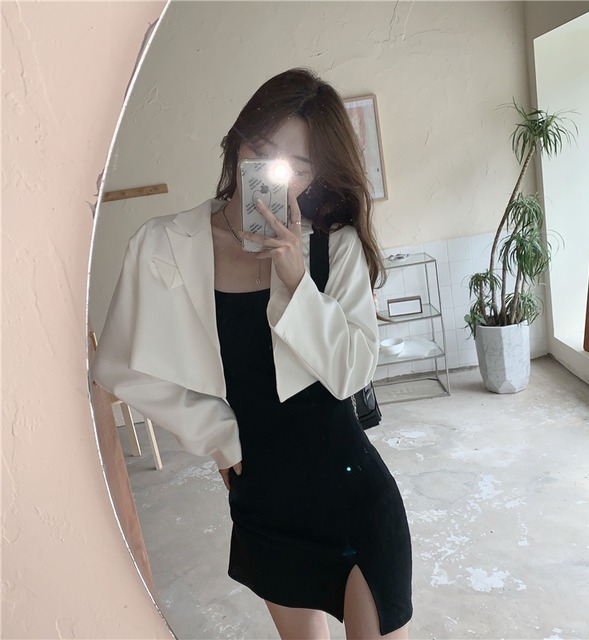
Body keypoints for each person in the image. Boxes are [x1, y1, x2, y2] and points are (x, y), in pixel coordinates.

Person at [93, 67, 412, 640]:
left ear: (314, 176)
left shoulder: (333, 246)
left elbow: (351, 374)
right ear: (236, 143)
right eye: (259, 150)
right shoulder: (165, 245)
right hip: (266, 505)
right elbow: (119, 366)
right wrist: (217, 435)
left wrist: (296, 279)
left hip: (353, 493)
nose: (267, 170)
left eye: (294, 165)